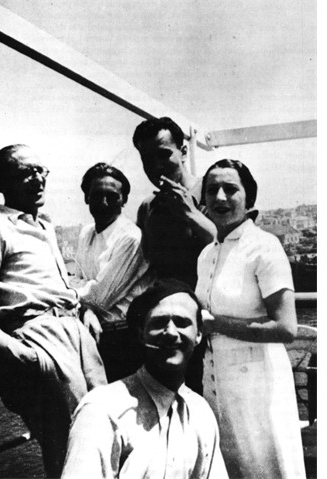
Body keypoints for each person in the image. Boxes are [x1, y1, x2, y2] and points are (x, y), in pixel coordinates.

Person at [0, 144, 106, 478]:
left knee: (104, 428)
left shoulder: (45, 228)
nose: (38, 179)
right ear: (2, 182)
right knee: (70, 444)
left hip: (76, 334)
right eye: (27, 172)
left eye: (42, 171)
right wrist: (12, 349)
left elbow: (53, 286)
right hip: (41, 339)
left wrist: (85, 309)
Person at [196, 158, 306, 479]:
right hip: (217, 387)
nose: (219, 197)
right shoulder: (206, 255)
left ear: (249, 198)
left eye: (230, 189)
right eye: (211, 189)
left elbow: (286, 328)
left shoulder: (264, 247)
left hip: (260, 389)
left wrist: (216, 324)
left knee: (267, 468)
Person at [62, 279, 228, 479]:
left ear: (199, 334)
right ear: (141, 334)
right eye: (159, 323)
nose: (171, 333)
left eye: (182, 323)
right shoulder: (103, 410)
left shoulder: (200, 412)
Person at [132, 116, 216, 394]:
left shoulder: (212, 191)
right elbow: (146, 266)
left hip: (211, 321)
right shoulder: (147, 207)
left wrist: (190, 213)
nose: (156, 165)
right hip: (171, 327)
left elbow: (227, 245)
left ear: (183, 151)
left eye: (163, 154)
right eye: (147, 159)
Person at [72, 162, 153, 382]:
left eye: (112, 196)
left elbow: (99, 297)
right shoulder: (86, 233)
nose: (104, 202)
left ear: (124, 199)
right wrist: (86, 309)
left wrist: (85, 303)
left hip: (125, 340)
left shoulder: (130, 237)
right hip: (93, 332)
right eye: (97, 195)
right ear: (87, 197)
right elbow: (77, 279)